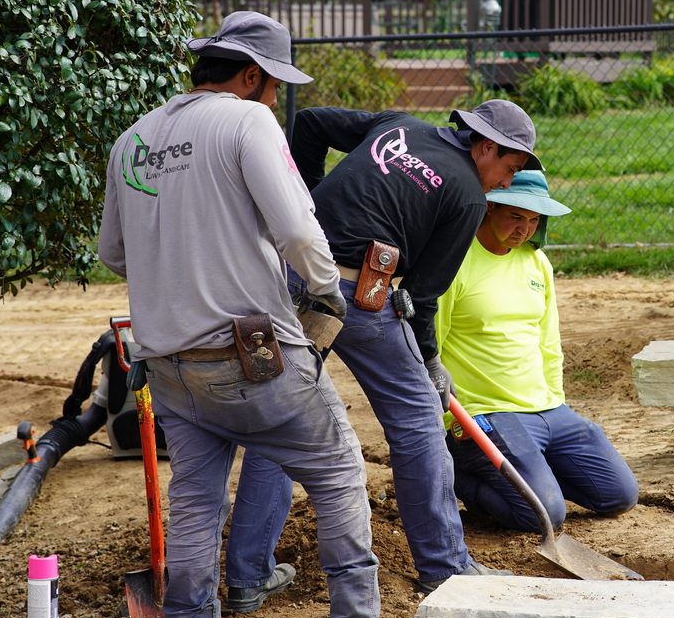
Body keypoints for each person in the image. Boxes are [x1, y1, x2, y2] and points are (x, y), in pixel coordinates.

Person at [98, 11, 397, 618]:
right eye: (274, 85)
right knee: (339, 470)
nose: (275, 98)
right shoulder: (247, 121)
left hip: (171, 368)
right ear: (251, 75)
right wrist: (323, 290)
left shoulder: (134, 141)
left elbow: (115, 256)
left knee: (197, 503)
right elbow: (294, 229)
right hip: (252, 359)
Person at [230, 99, 539, 593]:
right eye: (510, 167)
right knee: (418, 422)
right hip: (357, 295)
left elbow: (309, 122)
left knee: (282, 416)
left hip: (286, 279)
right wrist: (432, 363)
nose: (507, 181)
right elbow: (423, 293)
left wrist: (304, 204)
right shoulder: (466, 197)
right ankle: (445, 568)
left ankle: (248, 577)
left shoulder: (401, 124)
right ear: (486, 147)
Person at [436, 170, 639, 532]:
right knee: (542, 515)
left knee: (618, 495)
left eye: (533, 220)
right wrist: (445, 418)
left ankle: (533, 473)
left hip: (548, 409)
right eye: (515, 216)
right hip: (488, 414)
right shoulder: (453, 261)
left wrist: (556, 403)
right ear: (489, 206)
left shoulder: (536, 262)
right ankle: (454, 475)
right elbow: (428, 348)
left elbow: (548, 341)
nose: (524, 229)